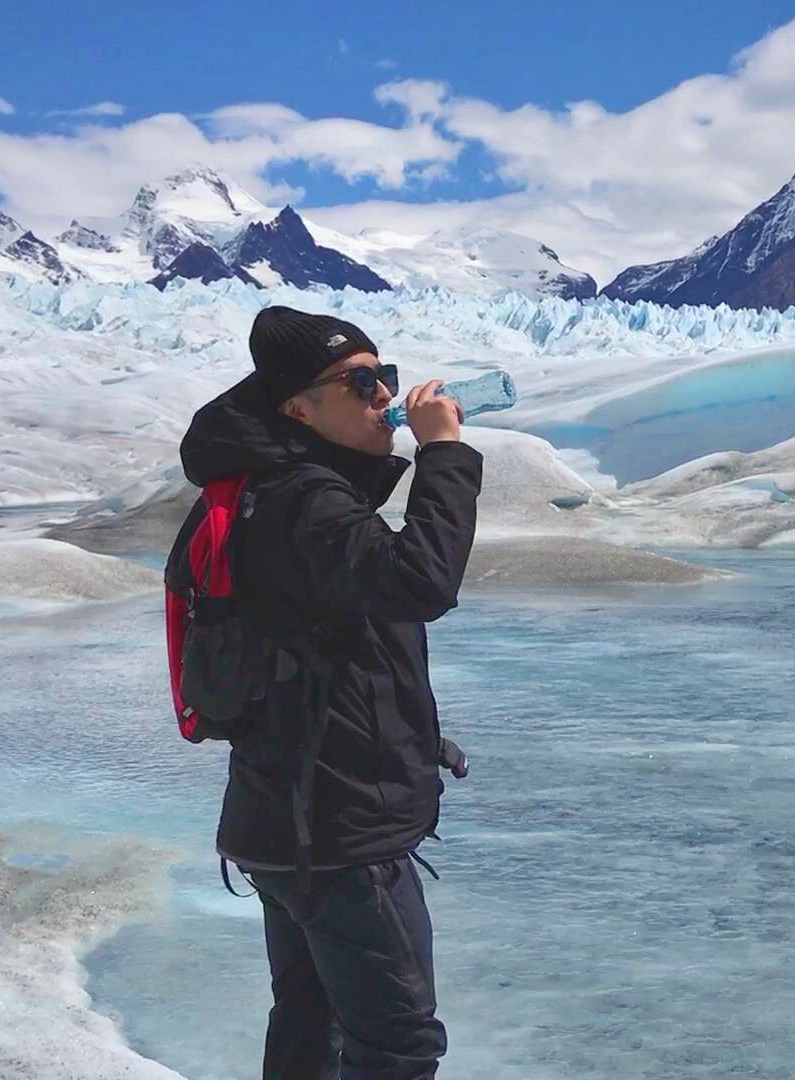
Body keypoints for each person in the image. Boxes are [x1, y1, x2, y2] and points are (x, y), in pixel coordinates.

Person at [177, 304, 483, 1079]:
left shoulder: (259, 491)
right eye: (359, 381)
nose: (384, 394)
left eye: (386, 375)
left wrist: (414, 736)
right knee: (397, 1046)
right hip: (338, 833)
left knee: (313, 1026)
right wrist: (445, 454)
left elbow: (318, 650)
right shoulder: (302, 501)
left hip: (283, 819)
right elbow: (421, 581)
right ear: (297, 408)